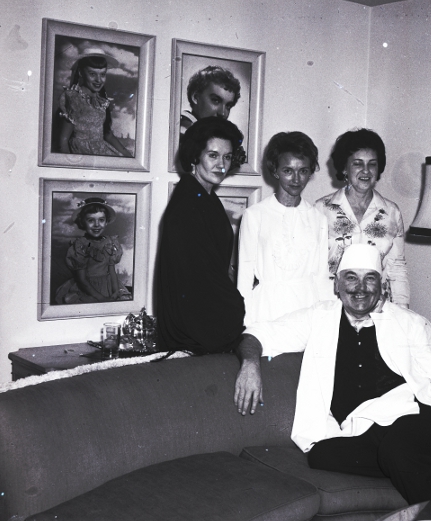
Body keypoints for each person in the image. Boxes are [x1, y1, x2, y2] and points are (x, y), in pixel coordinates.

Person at [233, 244, 431, 505]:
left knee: (397, 450)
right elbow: (257, 334)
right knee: (321, 456)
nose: (360, 288)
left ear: (382, 285)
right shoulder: (319, 317)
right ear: (337, 285)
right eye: (351, 277)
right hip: (362, 429)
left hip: (414, 415)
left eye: (369, 278)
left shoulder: (412, 323)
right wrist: (250, 364)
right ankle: (429, 462)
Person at [155, 117, 246, 355]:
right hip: (194, 334)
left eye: (227, 157)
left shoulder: (205, 197)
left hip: (200, 325)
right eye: (213, 155)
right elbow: (201, 280)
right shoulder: (188, 204)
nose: (221, 165)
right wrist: (239, 306)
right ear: (195, 156)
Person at [237, 131, 333, 324]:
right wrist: (243, 322)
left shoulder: (318, 219)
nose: (296, 179)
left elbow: (322, 278)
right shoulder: (255, 215)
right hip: (267, 310)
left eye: (303, 171)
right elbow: (244, 278)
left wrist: (327, 320)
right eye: (288, 171)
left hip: (307, 308)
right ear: (275, 171)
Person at [315, 128, 409, 309]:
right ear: (344, 168)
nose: (366, 171)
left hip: (378, 308)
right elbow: (314, 267)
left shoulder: (392, 212)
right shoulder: (321, 209)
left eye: (372, 164)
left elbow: (397, 268)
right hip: (332, 306)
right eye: (357, 163)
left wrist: (402, 310)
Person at [55, 197, 133, 304]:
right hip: (88, 288)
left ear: (106, 222)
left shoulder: (110, 243)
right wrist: (101, 298)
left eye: (101, 220)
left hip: (108, 285)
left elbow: (112, 272)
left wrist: (116, 291)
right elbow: (82, 280)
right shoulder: (80, 245)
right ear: (83, 222)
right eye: (91, 220)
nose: (97, 224)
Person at [57, 48, 133, 157]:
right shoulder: (73, 98)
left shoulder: (102, 101)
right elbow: (63, 141)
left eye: (102, 74)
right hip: (81, 154)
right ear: (81, 73)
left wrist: (128, 155)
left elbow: (107, 134)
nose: (98, 80)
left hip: (100, 150)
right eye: (92, 74)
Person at [179, 66, 241, 137]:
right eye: (216, 100)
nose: (222, 113)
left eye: (228, 106)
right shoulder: (183, 133)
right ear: (195, 97)